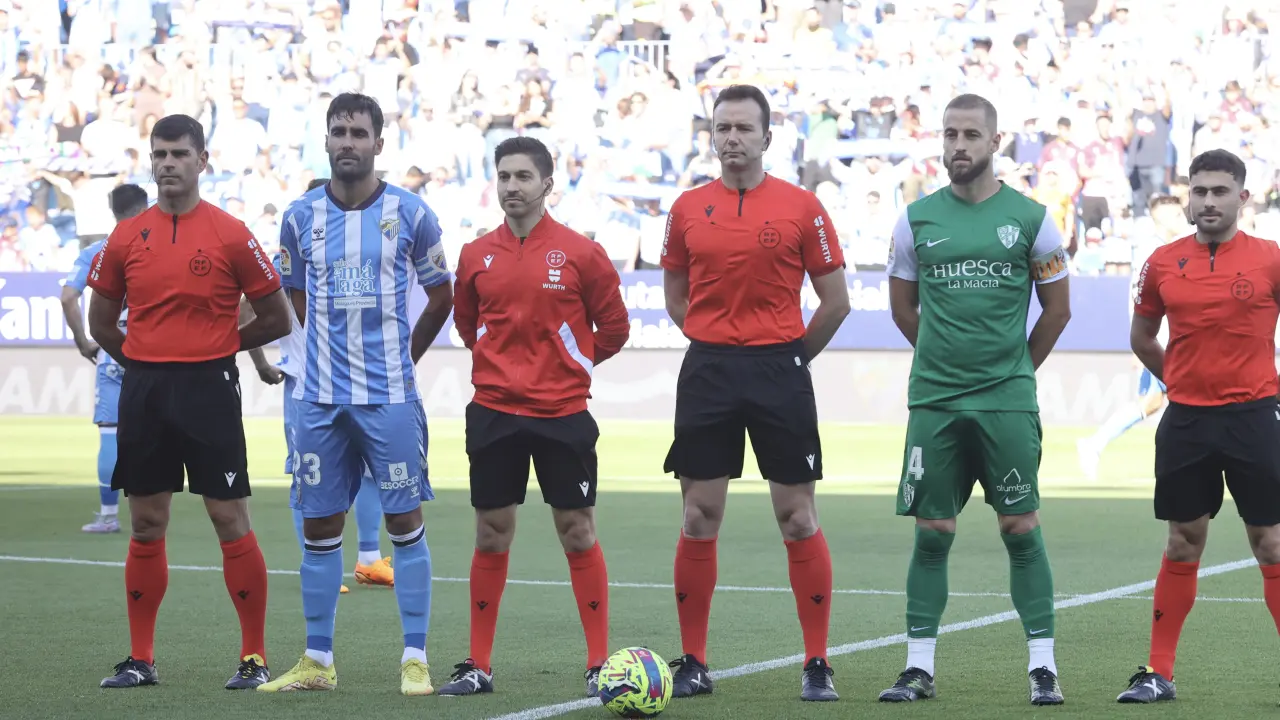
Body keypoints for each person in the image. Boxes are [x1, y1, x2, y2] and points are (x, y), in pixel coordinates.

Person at [258, 93, 454, 696]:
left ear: (378, 143)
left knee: (405, 523)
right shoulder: (299, 216)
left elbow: (442, 295)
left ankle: (415, 659)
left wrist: (403, 358)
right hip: (317, 400)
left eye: (358, 132)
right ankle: (317, 660)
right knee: (319, 529)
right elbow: (291, 297)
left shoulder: (411, 213)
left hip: (388, 397)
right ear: (325, 141)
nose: (348, 141)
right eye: (338, 131)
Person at [87, 114, 292, 690]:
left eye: (179, 154)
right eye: (160, 154)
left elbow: (277, 316)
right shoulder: (126, 236)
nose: (168, 164)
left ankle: (253, 657)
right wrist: (144, 360)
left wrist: (218, 346)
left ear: (203, 161)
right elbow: (100, 321)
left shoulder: (231, 233)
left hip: (209, 388)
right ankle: (140, 658)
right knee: (146, 522)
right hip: (145, 391)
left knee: (229, 517)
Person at [660, 84, 851, 702]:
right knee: (698, 515)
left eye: (744, 128)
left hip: (779, 370)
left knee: (797, 517)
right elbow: (675, 294)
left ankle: (817, 661)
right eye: (723, 128)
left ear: (768, 137)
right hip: (709, 370)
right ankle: (694, 661)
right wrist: (712, 340)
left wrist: (790, 359)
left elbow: (836, 301)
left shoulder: (802, 207)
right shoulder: (687, 208)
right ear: (711, 136)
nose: (732, 138)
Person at [880, 93, 1072, 706]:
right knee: (933, 530)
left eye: (970, 135)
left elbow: (1058, 311)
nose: (958, 145)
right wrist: (944, 361)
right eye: (950, 134)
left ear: (995, 142)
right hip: (935, 400)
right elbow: (903, 309)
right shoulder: (914, 220)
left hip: (1006, 401)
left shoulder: (1034, 219)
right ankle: (918, 669)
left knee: (1020, 525)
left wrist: (1014, 372)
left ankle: (1043, 668)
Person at [438, 136, 630, 698]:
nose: (512, 186)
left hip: (562, 414)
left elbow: (614, 328)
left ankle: (599, 664)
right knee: (491, 533)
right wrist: (502, 368)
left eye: (523, 176)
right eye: (504, 176)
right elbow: (467, 325)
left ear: (547, 184)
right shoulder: (476, 254)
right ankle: (478, 664)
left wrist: (570, 365)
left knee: (578, 531)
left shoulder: (582, 253)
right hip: (493, 412)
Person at [1117, 149, 1280, 703]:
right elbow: (1142, 336)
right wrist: (1179, 381)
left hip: (1255, 417)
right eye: (1200, 191)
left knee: (1271, 543)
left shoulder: (1270, 258)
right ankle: (1158, 672)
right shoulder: (1162, 262)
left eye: (1220, 191)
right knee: (1183, 541)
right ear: (1189, 198)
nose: (1209, 201)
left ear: (1242, 197)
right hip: (1186, 421)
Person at [244, 177, 393, 596]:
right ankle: (318, 564)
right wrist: (260, 362)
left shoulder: (351, 258)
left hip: (357, 381)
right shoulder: (284, 262)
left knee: (369, 469)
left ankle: (368, 559)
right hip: (306, 385)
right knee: (308, 475)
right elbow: (244, 308)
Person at [1076, 194, 1187, 479]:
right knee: (1175, 400)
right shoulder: (1155, 253)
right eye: (1177, 215)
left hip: (1164, 338)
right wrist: (1142, 342)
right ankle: (1096, 445)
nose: (1183, 219)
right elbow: (1139, 300)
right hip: (1163, 341)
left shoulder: (1163, 249)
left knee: (1153, 402)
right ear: (1162, 219)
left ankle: (1094, 444)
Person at [60, 183, 149, 533]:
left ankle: (109, 516)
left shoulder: (96, 251)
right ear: (145, 208)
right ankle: (152, 512)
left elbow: (68, 297)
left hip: (112, 354)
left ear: (113, 211)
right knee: (157, 435)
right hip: (152, 353)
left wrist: (83, 341)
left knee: (111, 436)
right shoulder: (158, 248)